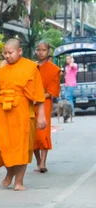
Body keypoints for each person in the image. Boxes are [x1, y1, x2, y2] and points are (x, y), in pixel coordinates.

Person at [0, 38, 46, 191]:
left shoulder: (31, 67)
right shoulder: (2, 68)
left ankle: (19, 181)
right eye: (4, 53)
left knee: (21, 147)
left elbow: (38, 93)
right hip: (2, 110)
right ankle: (9, 171)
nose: (7, 56)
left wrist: (41, 116)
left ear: (19, 51)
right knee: (2, 146)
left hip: (22, 111)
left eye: (10, 53)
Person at [33, 41, 61, 173]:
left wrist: (38, 97)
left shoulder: (53, 69)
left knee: (42, 132)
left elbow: (52, 91)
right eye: (38, 50)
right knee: (32, 134)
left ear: (48, 52)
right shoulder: (31, 67)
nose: (40, 52)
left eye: (43, 50)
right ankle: (38, 161)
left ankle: (43, 162)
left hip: (44, 102)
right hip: (30, 102)